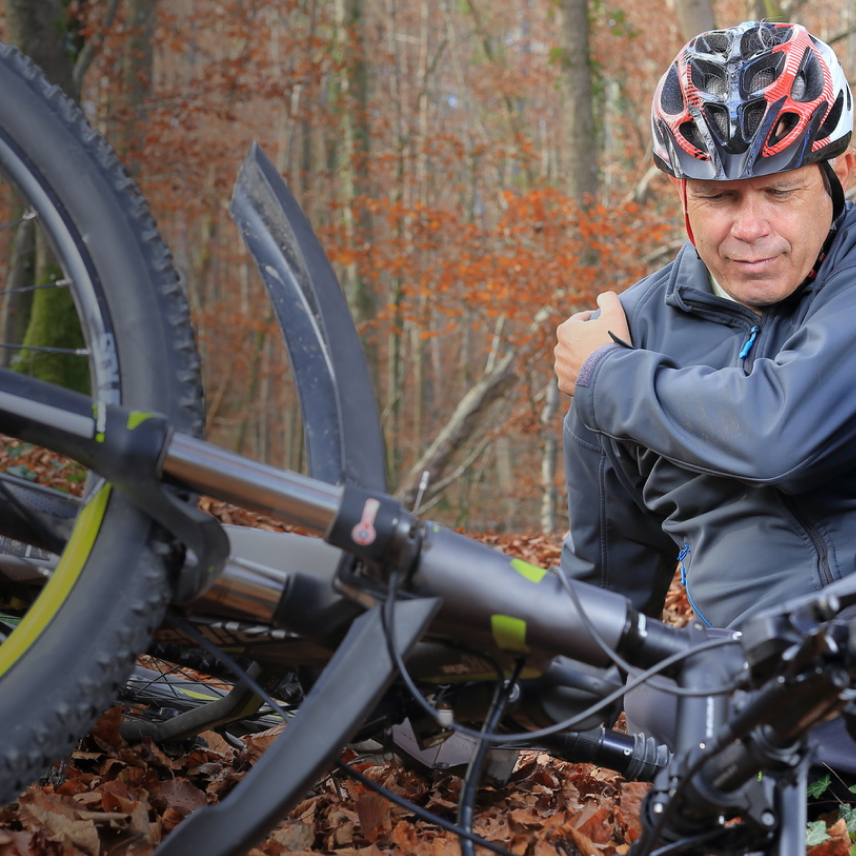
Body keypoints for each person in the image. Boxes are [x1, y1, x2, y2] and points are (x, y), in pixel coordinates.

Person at [552, 19, 856, 788]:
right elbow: (605, 587)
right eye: (720, 198)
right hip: (756, 716)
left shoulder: (608, 363)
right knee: (667, 694)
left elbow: (781, 433)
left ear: (838, 169)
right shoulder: (633, 331)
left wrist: (606, 379)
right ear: (683, 194)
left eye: (779, 191)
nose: (750, 228)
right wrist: (532, 732)